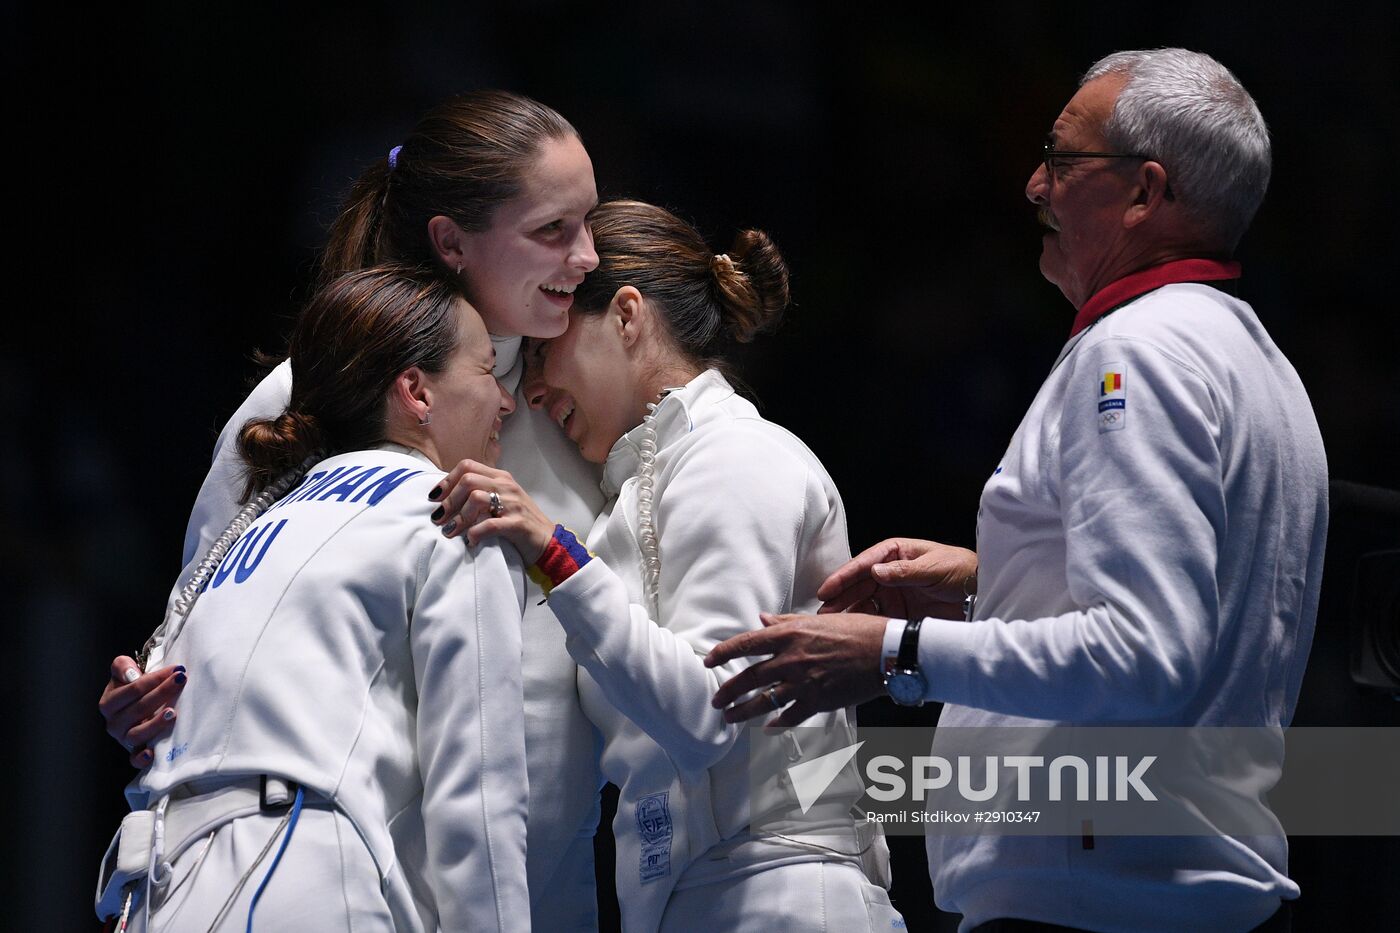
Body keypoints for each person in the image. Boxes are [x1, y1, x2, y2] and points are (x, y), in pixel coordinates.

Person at [707, 48, 1327, 932]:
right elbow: (1193, 616)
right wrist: (989, 581)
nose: (1035, 185)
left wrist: (892, 651)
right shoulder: (1251, 358)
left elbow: (1143, 657)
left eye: (1063, 162)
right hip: (1156, 889)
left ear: (1146, 193)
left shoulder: (1139, 355)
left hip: (1096, 902)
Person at [97, 90, 606, 929]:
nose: (587, 256)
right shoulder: (308, 396)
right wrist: (151, 695)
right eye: (553, 230)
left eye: (589, 221)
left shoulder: (587, 393)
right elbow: (212, 612)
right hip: (355, 881)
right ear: (451, 241)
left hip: (544, 889)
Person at [428, 199, 904, 932]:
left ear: (626, 316)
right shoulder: (639, 495)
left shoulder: (736, 455)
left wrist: (554, 555)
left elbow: (711, 706)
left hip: (783, 890)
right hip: (695, 901)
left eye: (548, 346)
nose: (532, 389)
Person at [95, 266, 527, 931]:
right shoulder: (455, 515)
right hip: (301, 874)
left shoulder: (253, 525)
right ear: (415, 390)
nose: (506, 399)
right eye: (487, 369)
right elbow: (479, 802)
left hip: (157, 889)